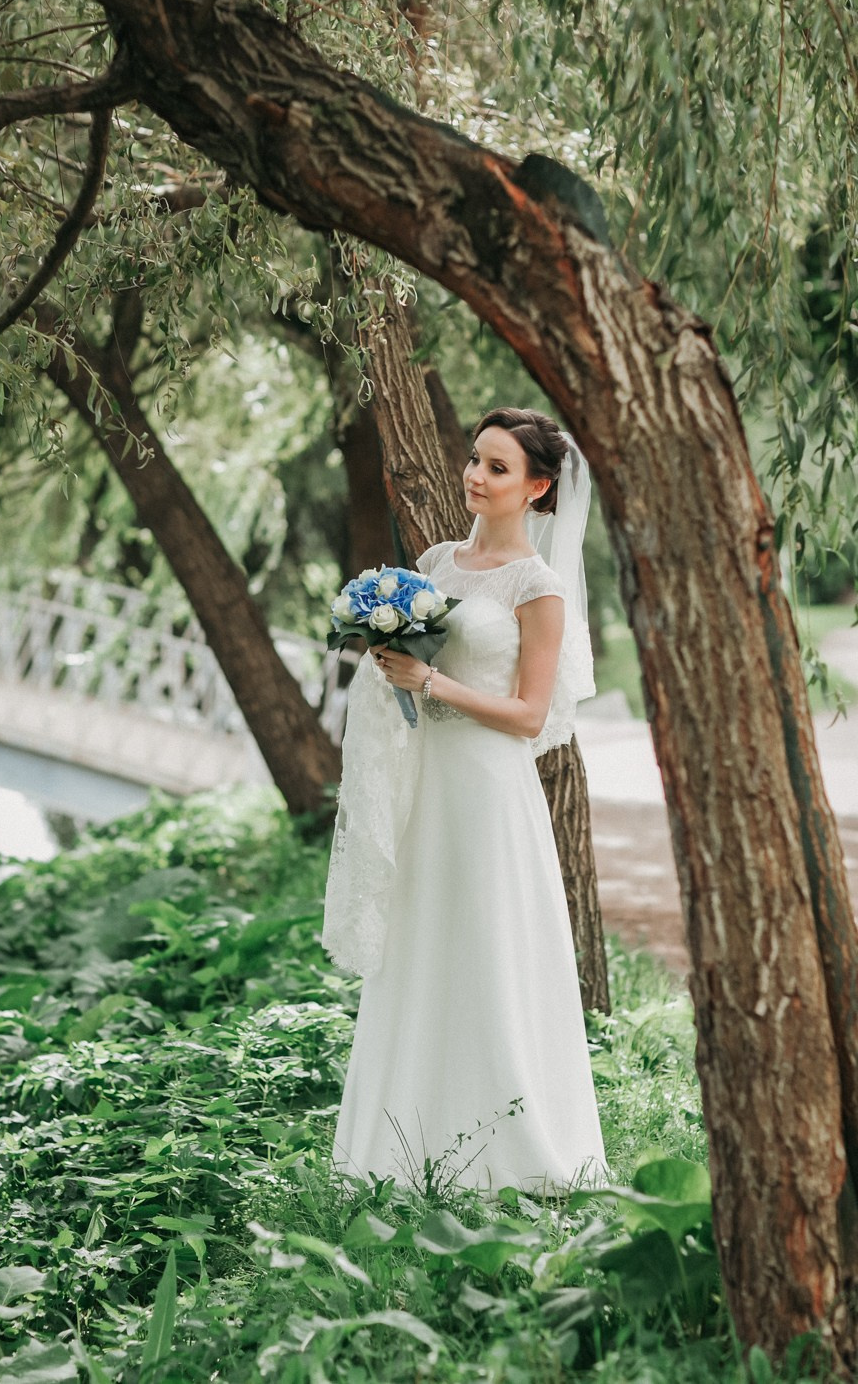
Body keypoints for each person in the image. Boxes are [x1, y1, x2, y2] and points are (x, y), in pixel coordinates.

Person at [323, 407, 606, 1195]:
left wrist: (432, 683)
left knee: (485, 950)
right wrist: (389, 662)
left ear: (537, 488)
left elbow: (530, 715)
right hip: (428, 782)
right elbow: (410, 670)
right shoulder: (435, 563)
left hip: (487, 789)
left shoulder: (538, 587)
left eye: (498, 468)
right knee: (422, 946)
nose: (476, 476)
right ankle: (401, 1142)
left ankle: (508, 1149)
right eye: (476, 459)